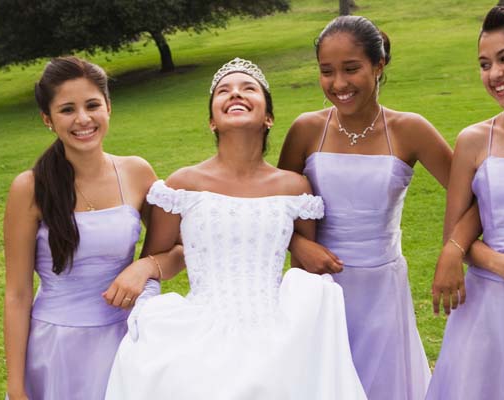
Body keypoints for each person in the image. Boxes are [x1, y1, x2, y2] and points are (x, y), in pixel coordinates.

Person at [105, 58, 367, 400]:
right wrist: (145, 265)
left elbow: (301, 265)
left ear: (268, 117)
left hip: (275, 328)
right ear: (213, 121)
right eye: (224, 91)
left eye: (248, 89)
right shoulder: (184, 184)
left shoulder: (294, 188)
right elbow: (162, 256)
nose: (235, 94)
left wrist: (297, 244)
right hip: (201, 322)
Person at [277, 16, 453, 400]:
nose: (338, 83)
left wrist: (454, 251)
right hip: (319, 287)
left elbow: (468, 195)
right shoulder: (306, 129)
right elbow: (273, 208)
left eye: (351, 69)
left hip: (382, 289)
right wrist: (298, 245)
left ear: (379, 65)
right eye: (327, 71)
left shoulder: (410, 129)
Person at [3, 56, 182, 400]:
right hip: (55, 347)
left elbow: (182, 249)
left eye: (92, 105)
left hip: (124, 340)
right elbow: (17, 294)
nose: (83, 119)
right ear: (48, 120)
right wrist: (17, 387)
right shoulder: (29, 188)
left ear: (108, 108)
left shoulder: (136, 172)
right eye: (67, 109)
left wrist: (145, 266)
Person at [426, 6, 504, 399]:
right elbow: (456, 236)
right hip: (490, 307)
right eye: (485, 64)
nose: (494, 74)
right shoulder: (474, 141)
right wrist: (502, 264)